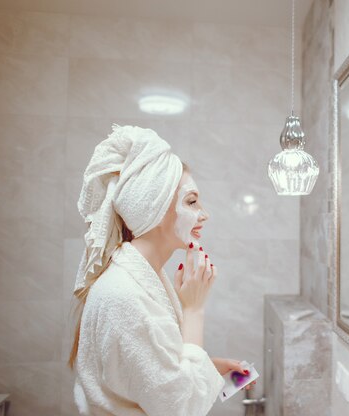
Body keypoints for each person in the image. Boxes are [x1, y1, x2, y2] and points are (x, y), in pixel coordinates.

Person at [68, 125, 252, 415]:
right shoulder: (122, 295)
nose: (205, 214)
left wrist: (211, 369)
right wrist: (194, 309)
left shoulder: (139, 280)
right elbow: (180, 408)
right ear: (154, 209)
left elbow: (146, 378)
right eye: (191, 201)